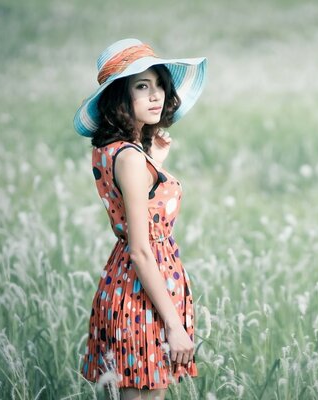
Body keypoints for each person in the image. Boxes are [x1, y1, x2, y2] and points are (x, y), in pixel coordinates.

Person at [74, 38, 207, 399]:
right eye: (142, 86)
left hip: (136, 288)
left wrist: (155, 163)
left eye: (159, 84)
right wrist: (175, 326)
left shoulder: (118, 152)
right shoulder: (130, 159)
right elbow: (141, 250)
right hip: (141, 295)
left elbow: (134, 208)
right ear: (120, 97)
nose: (156, 95)